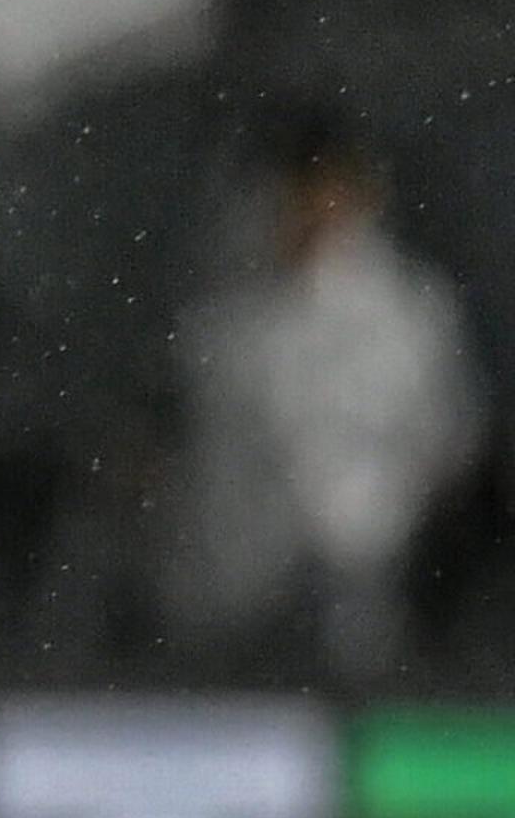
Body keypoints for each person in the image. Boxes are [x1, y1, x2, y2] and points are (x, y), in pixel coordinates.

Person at [164, 106, 486, 679]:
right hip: (235, 602)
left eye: (326, 192)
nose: (311, 210)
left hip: (376, 591)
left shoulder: (409, 314)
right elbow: (199, 470)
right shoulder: (222, 322)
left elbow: (450, 443)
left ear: (358, 196)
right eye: (296, 192)